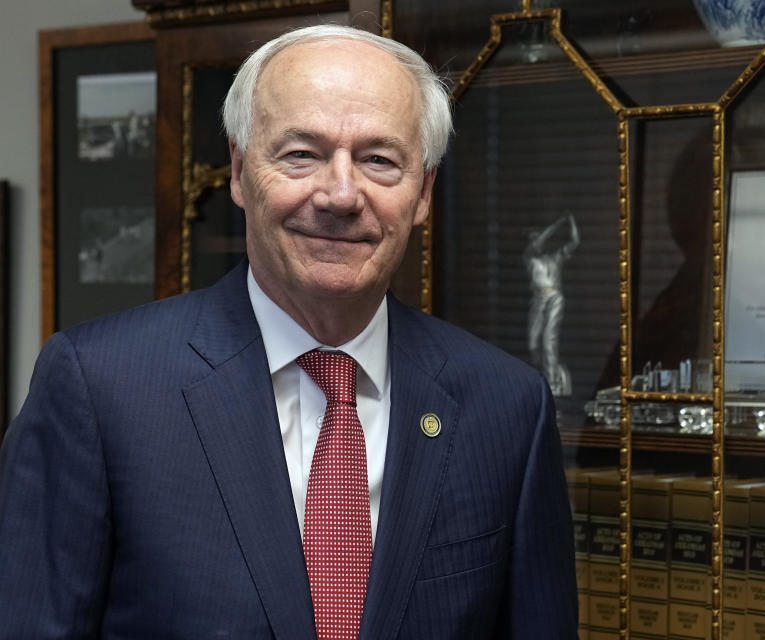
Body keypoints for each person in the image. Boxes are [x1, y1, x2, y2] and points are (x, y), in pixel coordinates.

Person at [0, 24, 577, 639]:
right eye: (301, 154)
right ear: (241, 171)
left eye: (379, 160)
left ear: (423, 192)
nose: (340, 194)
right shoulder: (99, 387)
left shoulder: (506, 408)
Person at [524, 213, 579, 397]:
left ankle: (553, 380)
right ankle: (546, 373)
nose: (536, 240)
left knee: (549, 340)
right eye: (532, 238)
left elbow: (574, 241)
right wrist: (556, 224)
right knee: (533, 342)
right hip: (539, 300)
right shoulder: (530, 258)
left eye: (536, 236)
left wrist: (570, 221)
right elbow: (538, 242)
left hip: (554, 297)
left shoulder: (554, 258)